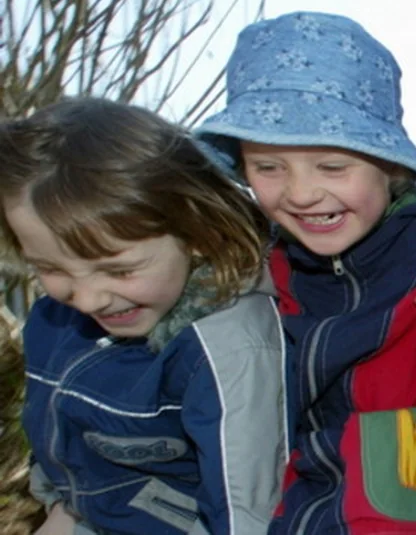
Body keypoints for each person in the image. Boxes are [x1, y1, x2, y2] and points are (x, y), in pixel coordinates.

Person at [193, 12, 416, 534]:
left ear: (390, 165)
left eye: (332, 167)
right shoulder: (267, 270)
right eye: (268, 167)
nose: (302, 193)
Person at [2, 98, 286, 534]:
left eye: (119, 270)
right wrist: (60, 508)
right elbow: (59, 438)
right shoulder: (54, 319)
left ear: (196, 233)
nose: (88, 299)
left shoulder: (229, 346)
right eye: (51, 268)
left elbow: (246, 514)